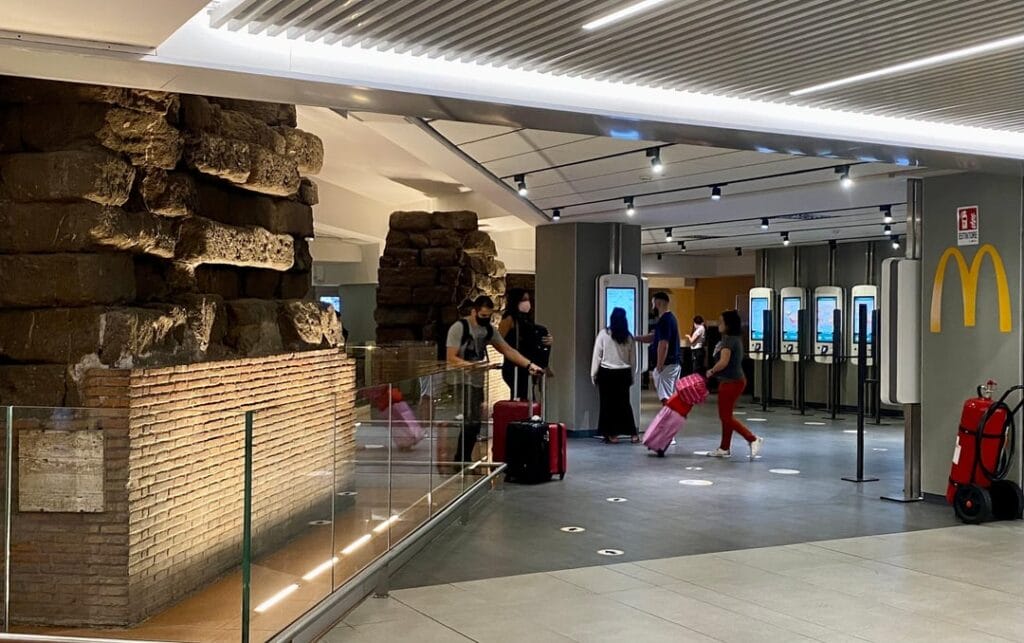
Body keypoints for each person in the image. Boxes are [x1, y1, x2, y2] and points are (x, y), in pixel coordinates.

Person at [446, 296, 543, 464]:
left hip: (476, 381)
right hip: (460, 380)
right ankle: (461, 458)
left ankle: (463, 458)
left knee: (474, 421)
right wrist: (472, 366)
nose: (485, 319)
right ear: (474, 311)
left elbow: (507, 350)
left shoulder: (489, 330)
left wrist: (529, 365)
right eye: (483, 315)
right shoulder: (459, 328)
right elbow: (451, 357)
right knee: (470, 420)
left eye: (488, 316)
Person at [706, 310, 764, 460]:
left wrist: (711, 371)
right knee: (726, 416)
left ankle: (752, 438)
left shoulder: (728, 341)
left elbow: (723, 362)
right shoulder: (734, 339)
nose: (718, 324)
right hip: (734, 381)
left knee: (725, 417)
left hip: (731, 383)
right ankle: (724, 447)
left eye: (721, 322)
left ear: (728, 324)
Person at [591, 307, 638, 443]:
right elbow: (633, 360)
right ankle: (633, 434)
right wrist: (632, 376)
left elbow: (597, 356)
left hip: (606, 374)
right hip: (623, 374)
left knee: (607, 405)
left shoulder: (604, 334)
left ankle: (612, 435)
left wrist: (593, 374)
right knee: (624, 404)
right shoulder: (628, 337)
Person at [499, 288, 553, 400]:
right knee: (521, 395)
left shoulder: (526, 321)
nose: (527, 303)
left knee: (528, 396)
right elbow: (499, 342)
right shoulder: (509, 319)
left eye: (528, 299)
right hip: (514, 366)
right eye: (523, 299)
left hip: (527, 366)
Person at [639, 292, 681, 404]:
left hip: (667, 365)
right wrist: (635, 338)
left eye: (653, 303)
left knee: (666, 398)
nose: (653, 306)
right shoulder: (671, 318)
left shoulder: (664, 320)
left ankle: (669, 420)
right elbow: (654, 337)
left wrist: (659, 365)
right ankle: (671, 419)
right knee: (671, 396)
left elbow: (663, 344)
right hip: (672, 364)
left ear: (658, 303)